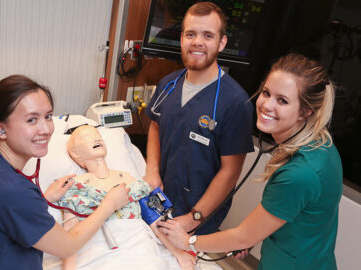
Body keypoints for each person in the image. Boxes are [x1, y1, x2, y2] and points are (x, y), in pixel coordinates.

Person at [158, 53, 343, 270]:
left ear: (306, 111)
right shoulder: (322, 146)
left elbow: (243, 236)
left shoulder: (300, 173)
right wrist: (253, 235)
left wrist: (188, 241)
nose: (266, 105)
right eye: (266, 93)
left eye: (282, 100)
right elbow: (295, 211)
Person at [0, 75, 130, 270]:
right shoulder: (14, 191)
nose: (45, 129)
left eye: (48, 116)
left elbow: (1, 214)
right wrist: (109, 204)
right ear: (1, 129)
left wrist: (45, 198)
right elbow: (66, 246)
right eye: (31, 120)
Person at [144, 1, 254, 235]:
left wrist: (193, 219)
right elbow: (155, 124)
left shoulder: (235, 103)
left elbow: (230, 172)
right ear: (181, 38)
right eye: (191, 34)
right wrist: (152, 170)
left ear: (222, 43)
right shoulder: (168, 84)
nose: (197, 42)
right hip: (160, 202)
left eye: (208, 35)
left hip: (197, 219)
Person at [56, 125, 197, 270]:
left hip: (138, 246)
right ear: (76, 153)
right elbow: (70, 232)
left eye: (98, 135)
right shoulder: (75, 185)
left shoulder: (129, 179)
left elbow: (155, 221)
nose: (97, 138)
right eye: (87, 137)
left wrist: (178, 254)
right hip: (99, 251)